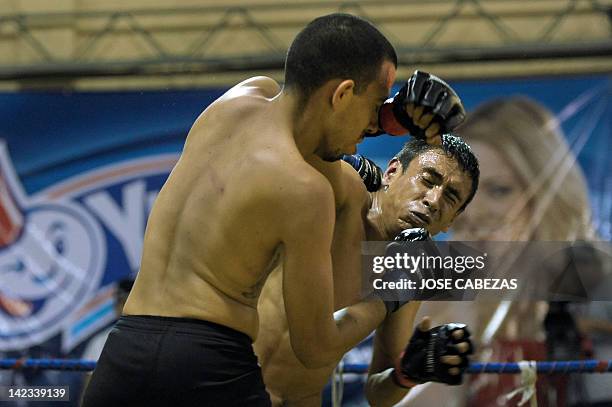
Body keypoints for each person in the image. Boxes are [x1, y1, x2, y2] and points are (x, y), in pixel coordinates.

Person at [82, 13, 465, 406]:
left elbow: (302, 136)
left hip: (126, 350)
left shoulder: (234, 104)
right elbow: (315, 347)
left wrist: (387, 118)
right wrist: (391, 292)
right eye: (371, 111)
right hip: (207, 364)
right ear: (342, 94)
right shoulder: (307, 192)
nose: (364, 135)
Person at [255, 134, 480, 407]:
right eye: (428, 179)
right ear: (393, 172)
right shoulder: (340, 199)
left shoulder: (410, 273)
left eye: (450, 197)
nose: (433, 200)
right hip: (220, 379)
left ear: (451, 221)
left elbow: (377, 394)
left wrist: (408, 373)